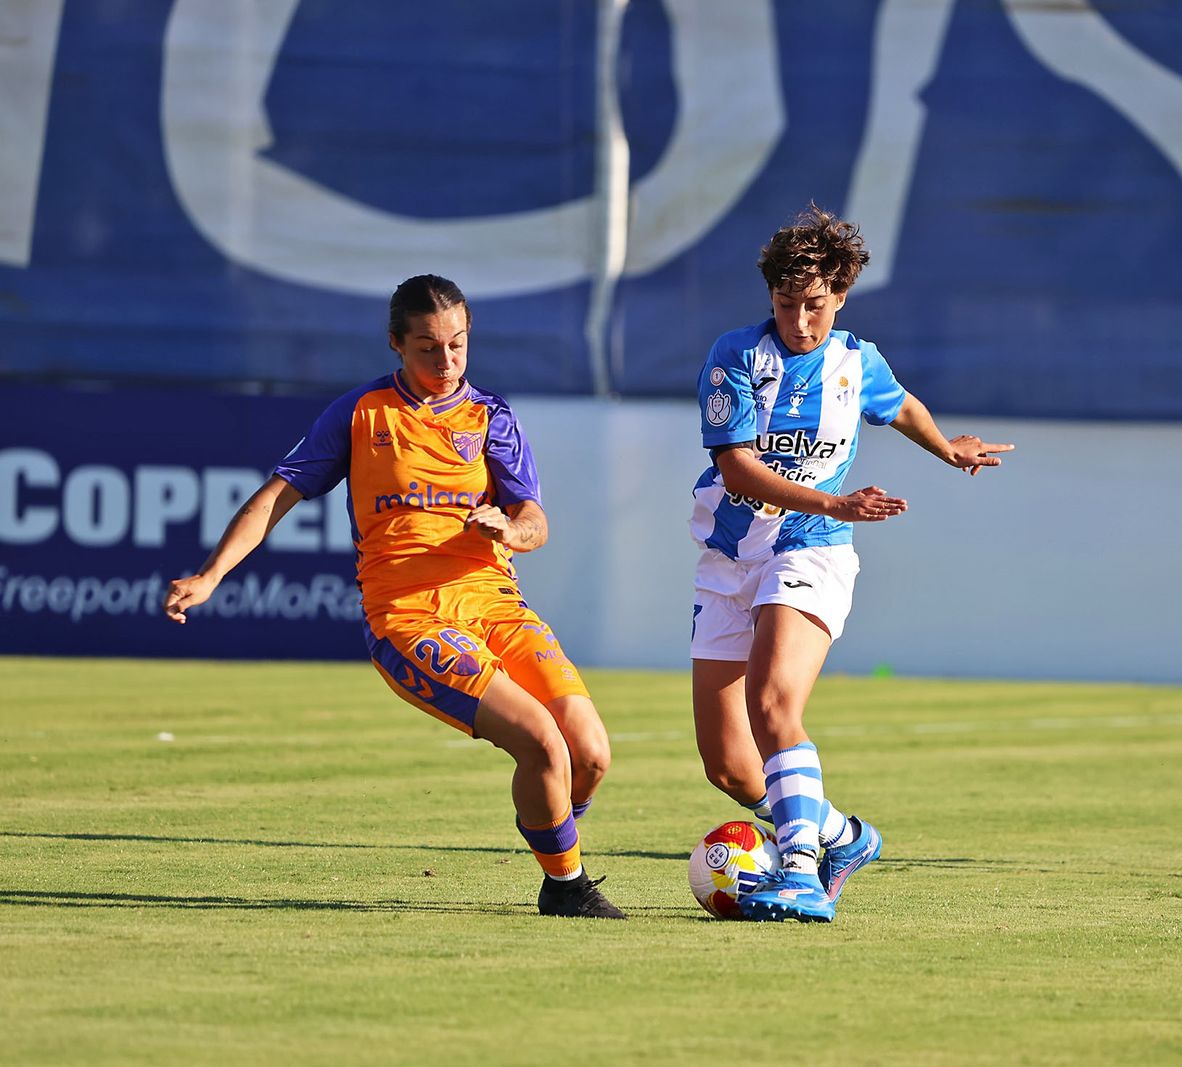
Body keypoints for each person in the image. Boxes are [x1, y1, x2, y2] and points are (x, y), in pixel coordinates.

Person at [164, 275, 625, 918]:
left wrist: (510, 529)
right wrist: (211, 576)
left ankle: (551, 833)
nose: (446, 362)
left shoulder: (492, 416)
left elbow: (535, 521)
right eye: (428, 348)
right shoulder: (360, 414)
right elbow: (277, 496)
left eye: (458, 345)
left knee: (590, 755)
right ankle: (567, 886)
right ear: (395, 345)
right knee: (543, 743)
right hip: (407, 618)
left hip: (494, 602)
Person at [689, 204, 1014, 921]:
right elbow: (738, 470)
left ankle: (800, 871)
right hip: (729, 559)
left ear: (840, 296)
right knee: (732, 767)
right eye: (786, 304)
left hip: (813, 549)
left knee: (774, 706)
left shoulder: (856, 362)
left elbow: (901, 407)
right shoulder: (736, 356)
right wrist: (836, 499)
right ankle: (844, 835)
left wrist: (947, 448)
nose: (801, 322)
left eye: (815, 306)